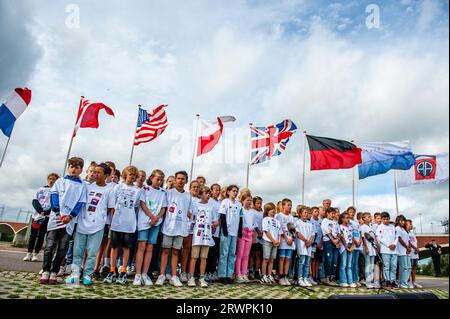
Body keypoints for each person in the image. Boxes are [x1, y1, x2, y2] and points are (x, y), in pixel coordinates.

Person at [66, 163, 115, 285]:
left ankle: (88, 274)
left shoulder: (110, 189)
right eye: (94, 172)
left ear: (106, 175)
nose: (95, 174)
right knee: (78, 251)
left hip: (97, 226)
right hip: (82, 223)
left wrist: (103, 218)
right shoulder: (87, 187)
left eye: (99, 173)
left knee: (92, 252)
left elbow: (110, 208)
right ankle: (75, 273)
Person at [40, 157, 87, 284]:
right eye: (71, 166)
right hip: (56, 218)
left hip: (69, 221)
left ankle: (54, 272)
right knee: (50, 246)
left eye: (77, 167)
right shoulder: (60, 181)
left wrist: (70, 216)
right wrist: (57, 212)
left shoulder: (82, 186)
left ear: (81, 170)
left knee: (62, 247)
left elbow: (81, 203)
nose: (73, 169)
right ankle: (45, 270)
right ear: (68, 167)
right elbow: (54, 196)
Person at [104, 166, 147, 285]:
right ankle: (112, 271)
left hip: (129, 224)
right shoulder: (118, 187)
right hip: (117, 223)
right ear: (124, 175)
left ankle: (123, 271)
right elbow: (112, 205)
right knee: (114, 247)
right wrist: (114, 220)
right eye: (130, 175)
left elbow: (138, 206)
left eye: (134, 176)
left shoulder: (138, 190)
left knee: (126, 248)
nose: (132, 177)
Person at [155, 171, 193, 287]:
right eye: (179, 178)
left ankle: (174, 276)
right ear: (175, 180)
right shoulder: (168, 193)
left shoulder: (188, 196)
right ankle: (161, 275)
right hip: (169, 227)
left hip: (180, 228)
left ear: (186, 181)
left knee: (176, 251)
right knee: (166, 251)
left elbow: (189, 212)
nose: (181, 181)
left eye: (183, 179)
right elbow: (164, 209)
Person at [133, 169, 168, 286]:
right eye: (157, 179)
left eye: (161, 180)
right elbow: (142, 204)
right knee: (141, 246)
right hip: (144, 221)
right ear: (152, 178)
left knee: (150, 247)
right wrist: (151, 217)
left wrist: (156, 218)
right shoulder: (145, 189)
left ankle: (144, 273)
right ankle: (137, 274)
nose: (159, 182)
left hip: (156, 223)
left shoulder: (163, 192)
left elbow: (164, 208)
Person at [187, 186, 218, 288]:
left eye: (209, 193)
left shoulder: (211, 206)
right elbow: (192, 219)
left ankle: (201, 278)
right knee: (194, 257)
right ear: (200, 194)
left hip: (207, 235)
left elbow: (215, 220)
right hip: (197, 234)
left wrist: (215, 224)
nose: (208, 195)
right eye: (206, 193)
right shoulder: (195, 204)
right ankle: (191, 277)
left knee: (204, 257)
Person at [24, 173, 59, 262]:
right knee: (33, 235)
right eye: (50, 178)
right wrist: (40, 211)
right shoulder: (40, 189)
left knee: (41, 235)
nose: (51, 180)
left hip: (47, 217)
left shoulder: (56, 191)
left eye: (54, 179)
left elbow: (55, 204)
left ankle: (36, 254)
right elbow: (34, 201)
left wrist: (46, 212)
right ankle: (29, 253)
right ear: (47, 179)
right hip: (37, 216)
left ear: (57, 181)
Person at [218, 185, 242, 284]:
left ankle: (229, 274)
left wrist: (239, 231)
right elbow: (222, 216)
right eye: (233, 191)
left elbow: (241, 218)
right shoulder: (225, 202)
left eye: (236, 191)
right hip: (226, 232)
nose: (235, 193)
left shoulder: (239, 204)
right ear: (228, 192)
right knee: (224, 253)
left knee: (232, 254)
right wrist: (224, 230)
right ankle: (222, 275)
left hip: (234, 233)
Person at [180, 180, 200, 282]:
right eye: (194, 187)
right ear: (190, 188)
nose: (196, 189)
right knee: (185, 249)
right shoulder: (187, 197)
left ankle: (189, 272)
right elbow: (185, 211)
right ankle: (182, 271)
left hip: (196, 228)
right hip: (185, 225)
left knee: (192, 250)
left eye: (197, 187)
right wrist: (191, 216)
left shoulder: (200, 200)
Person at [235, 194, 257, 283]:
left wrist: (253, 236)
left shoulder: (252, 212)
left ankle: (244, 273)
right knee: (239, 254)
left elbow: (254, 224)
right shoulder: (240, 210)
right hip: (241, 234)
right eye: (247, 200)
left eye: (250, 200)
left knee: (246, 255)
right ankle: (238, 274)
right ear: (243, 201)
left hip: (249, 234)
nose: (249, 202)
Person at [275, 198, 296, 286]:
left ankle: (286, 276)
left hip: (290, 241)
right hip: (283, 241)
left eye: (291, 205)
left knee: (288, 259)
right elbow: (280, 229)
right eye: (288, 205)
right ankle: (281, 276)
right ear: (283, 206)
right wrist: (286, 238)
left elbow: (293, 229)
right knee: (281, 258)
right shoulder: (279, 216)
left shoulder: (291, 217)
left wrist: (292, 238)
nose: (290, 207)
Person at [260, 202, 281, 284]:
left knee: (272, 260)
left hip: (275, 243)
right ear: (267, 210)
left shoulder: (277, 221)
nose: (273, 211)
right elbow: (266, 231)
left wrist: (278, 240)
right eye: (271, 209)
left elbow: (280, 232)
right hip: (268, 241)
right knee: (266, 259)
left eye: (274, 209)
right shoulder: (265, 219)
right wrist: (273, 240)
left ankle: (269, 275)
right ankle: (263, 275)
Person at [376, 212, 398, 288]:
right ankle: (387, 280)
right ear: (382, 219)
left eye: (387, 219)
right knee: (387, 266)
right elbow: (379, 238)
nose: (386, 220)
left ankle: (393, 281)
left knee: (394, 266)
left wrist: (394, 244)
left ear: (389, 219)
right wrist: (388, 245)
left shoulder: (392, 227)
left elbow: (397, 237)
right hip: (385, 250)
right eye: (384, 219)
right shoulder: (379, 227)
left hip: (394, 250)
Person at [205, 183, 221, 282]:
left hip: (217, 231)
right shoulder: (208, 201)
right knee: (208, 253)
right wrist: (212, 224)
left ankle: (212, 271)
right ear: (211, 191)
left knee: (214, 254)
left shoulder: (220, 203)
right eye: (215, 189)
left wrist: (217, 223)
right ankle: (206, 272)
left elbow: (221, 216)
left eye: (219, 190)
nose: (217, 191)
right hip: (208, 230)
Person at [295, 207, 314, 287]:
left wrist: (309, 241)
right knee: (301, 262)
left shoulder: (310, 223)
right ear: (300, 214)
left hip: (309, 246)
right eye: (305, 212)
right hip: (301, 245)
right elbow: (298, 233)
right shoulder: (297, 222)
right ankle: (300, 278)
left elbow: (313, 234)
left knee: (307, 263)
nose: (307, 214)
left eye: (308, 213)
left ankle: (305, 278)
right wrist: (306, 241)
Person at [321, 207, 339, 286]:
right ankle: (327, 278)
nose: (333, 215)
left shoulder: (335, 222)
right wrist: (333, 240)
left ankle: (332, 278)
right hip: (328, 242)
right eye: (332, 213)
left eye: (334, 213)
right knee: (329, 261)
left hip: (335, 243)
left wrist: (337, 240)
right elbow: (327, 231)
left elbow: (338, 233)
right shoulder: (325, 221)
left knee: (335, 261)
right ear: (327, 213)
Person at [338, 212, 356, 288]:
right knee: (343, 264)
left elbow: (352, 237)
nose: (348, 219)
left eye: (349, 218)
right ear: (342, 219)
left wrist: (352, 246)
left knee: (349, 265)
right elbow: (341, 237)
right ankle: (343, 281)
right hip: (343, 247)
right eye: (347, 218)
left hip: (350, 245)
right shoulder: (340, 227)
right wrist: (346, 247)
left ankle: (350, 281)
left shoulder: (350, 227)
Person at [360, 212, 378, 288]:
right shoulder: (363, 227)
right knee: (367, 265)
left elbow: (373, 239)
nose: (370, 218)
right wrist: (366, 248)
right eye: (368, 217)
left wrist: (376, 248)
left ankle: (371, 281)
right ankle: (368, 282)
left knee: (371, 266)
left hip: (372, 249)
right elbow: (363, 238)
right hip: (367, 248)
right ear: (363, 219)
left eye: (370, 216)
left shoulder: (371, 227)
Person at [248, 196, 263, 280]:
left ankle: (257, 271)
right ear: (253, 203)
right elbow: (254, 223)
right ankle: (250, 270)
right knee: (252, 254)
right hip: (254, 235)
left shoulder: (261, 212)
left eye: (260, 203)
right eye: (257, 203)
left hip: (261, 237)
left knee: (258, 254)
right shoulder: (252, 211)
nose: (259, 205)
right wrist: (258, 232)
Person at [347, 207, 362, 287]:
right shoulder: (348, 222)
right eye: (350, 212)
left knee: (356, 263)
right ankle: (351, 279)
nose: (352, 214)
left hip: (358, 245)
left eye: (353, 212)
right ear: (347, 212)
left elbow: (360, 232)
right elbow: (350, 233)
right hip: (353, 244)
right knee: (351, 263)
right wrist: (355, 242)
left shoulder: (356, 222)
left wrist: (359, 240)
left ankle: (356, 279)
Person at [395, 215, 412, 289]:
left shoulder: (404, 230)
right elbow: (399, 239)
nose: (403, 222)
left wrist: (409, 247)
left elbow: (408, 240)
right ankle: (402, 283)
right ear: (398, 221)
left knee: (408, 267)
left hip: (407, 251)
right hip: (401, 251)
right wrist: (406, 247)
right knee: (403, 268)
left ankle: (405, 282)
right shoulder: (397, 229)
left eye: (404, 221)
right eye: (401, 221)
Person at [406, 219, 422, 288]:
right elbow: (409, 242)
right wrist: (415, 248)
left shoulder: (412, 233)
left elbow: (416, 241)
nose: (411, 225)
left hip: (415, 254)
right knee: (409, 268)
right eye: (410, 224)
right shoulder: (406, 233)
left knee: (414, 268)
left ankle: (414, 282)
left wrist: (417, 248)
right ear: (406, 225)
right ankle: (409, 282)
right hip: (410, 254)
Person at [309, 206, 322, 284]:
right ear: (312, 212)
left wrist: (320, 243)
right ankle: (312, 275)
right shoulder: (310, 221)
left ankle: (316, 275)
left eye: (318, 211)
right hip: (313, 244)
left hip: (320, 244)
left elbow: (322, 233)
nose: (317, 213)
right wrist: (315, 243)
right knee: (312, 261)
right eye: (315, 211)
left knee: (317, 261)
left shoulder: (320, 221)